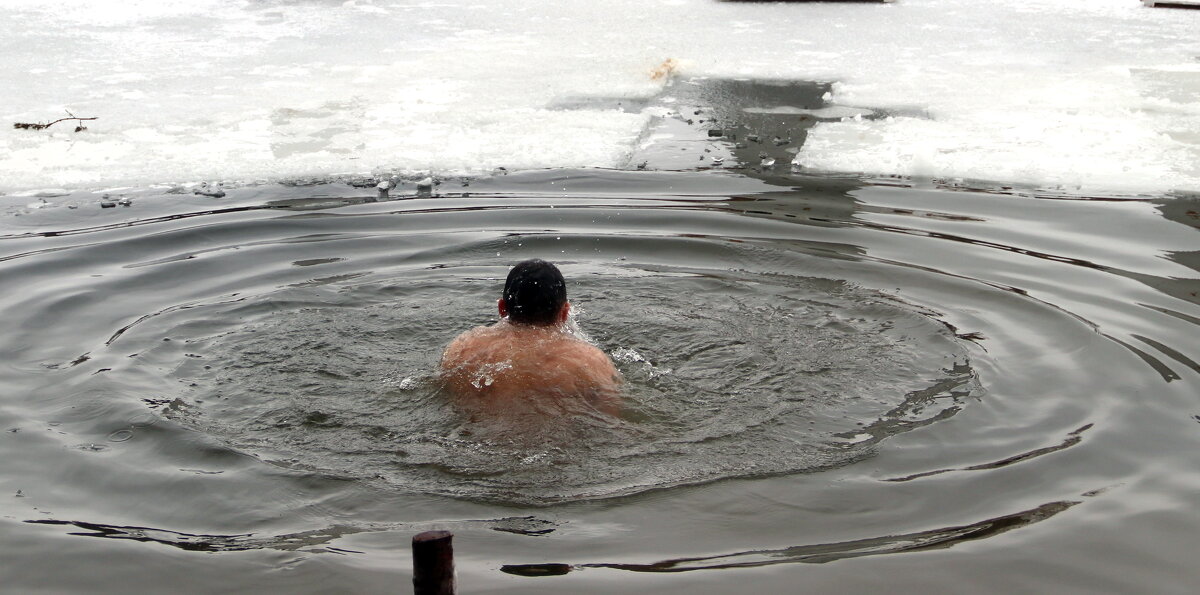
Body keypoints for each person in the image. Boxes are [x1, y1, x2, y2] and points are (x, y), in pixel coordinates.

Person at [440, 259, 622, 416]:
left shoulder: (461, 349)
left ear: (502, 309)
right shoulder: (590, 361)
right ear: (565, 312)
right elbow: (610, 416)